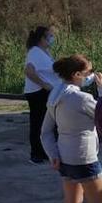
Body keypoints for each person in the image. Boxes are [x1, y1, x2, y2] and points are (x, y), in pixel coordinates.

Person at [40, 53, 102, 203]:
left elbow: (45, 132)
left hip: (65, 157)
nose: (90, 75)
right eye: (88, 72)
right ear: (77, 74)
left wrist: (53, 154)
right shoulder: (81, 99)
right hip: (84, 157)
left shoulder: (55, 95)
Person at [23, 26, 58, 164]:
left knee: (46, 123)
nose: (51, 38)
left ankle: (44, 152)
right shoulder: (35, 52)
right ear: (42, 39)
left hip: (45, 92)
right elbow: (29, 71)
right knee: (38, 123)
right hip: (37, 93)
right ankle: (36, 154)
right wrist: (45, 85)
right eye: (49, 36)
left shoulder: (44, 52)